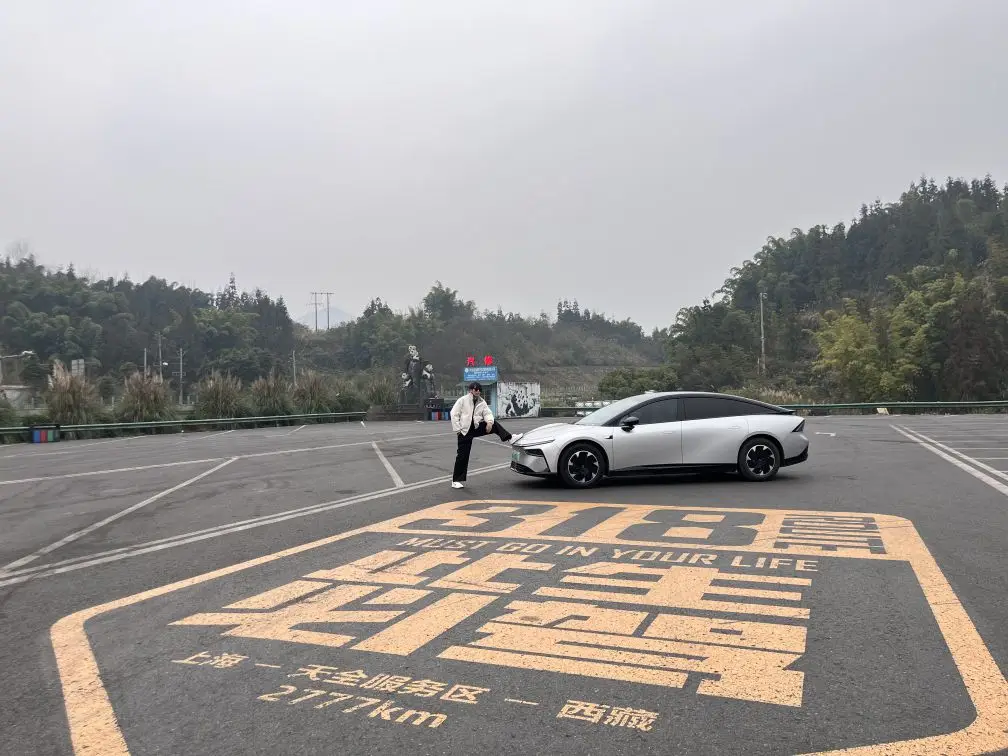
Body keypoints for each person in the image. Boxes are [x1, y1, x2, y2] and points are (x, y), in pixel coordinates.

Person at [450, 381, 522, 488]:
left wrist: (489, 422)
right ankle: (456, 480)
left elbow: (487, 413)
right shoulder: (463, 400)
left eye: (479, 389)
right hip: (464, 431)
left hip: (475, 427)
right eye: (476, 389)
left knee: (494, 424)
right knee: (462, 455)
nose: (478, 391)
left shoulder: (482, 402)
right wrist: (458, 430)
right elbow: (454, 414)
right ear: (471, 390)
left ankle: (510, 438)